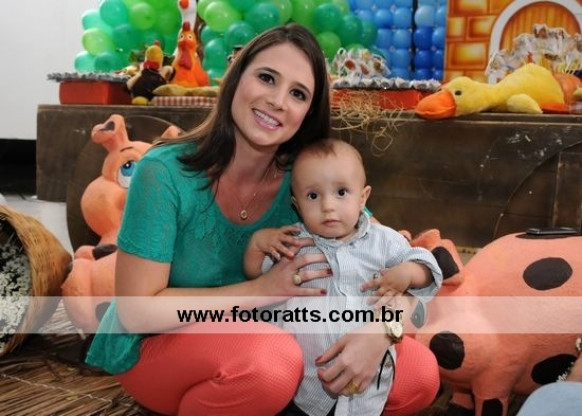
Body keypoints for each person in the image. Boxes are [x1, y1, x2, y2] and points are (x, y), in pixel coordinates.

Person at [85, 24, 440, 416]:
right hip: (157, 345)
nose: (277, 101)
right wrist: (262, 289)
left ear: (308, 113)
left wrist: (381, 331)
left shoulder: (310, 181)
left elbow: (395, 270)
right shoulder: (164, 172)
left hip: (278, 344)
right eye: (267, 78)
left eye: (298, 93)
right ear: (236, 77)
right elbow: (137, 311)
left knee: (417, 374)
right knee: (268, 364)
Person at [244, 138, 443, 416]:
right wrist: (257, 244)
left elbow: (428, 267)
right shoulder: (294, 242)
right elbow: (256, 271)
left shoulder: (383, 241)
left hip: (366, 383)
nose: (328, 206)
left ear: (363, 197)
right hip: (303, 384)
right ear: (297, 204)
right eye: (313, 196)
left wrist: (409, 272)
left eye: (341, 192)